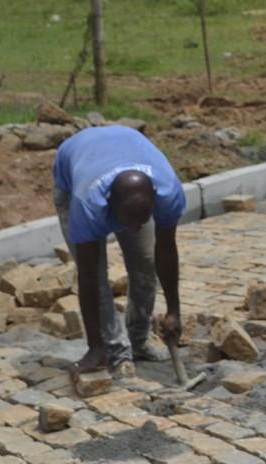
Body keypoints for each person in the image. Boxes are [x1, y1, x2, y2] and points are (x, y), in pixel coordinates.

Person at [53, 125, 185, 377]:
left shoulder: (169, 191)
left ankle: (137, 341)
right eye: (128, 223)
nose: (135, 229)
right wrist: (94, 345)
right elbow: (90, 277)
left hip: (124, 155)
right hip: (75, 174)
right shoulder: (87, 203)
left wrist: (174, 311)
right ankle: (112, 351)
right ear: (110, 205)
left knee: (145, 264)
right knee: (97, 275)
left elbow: (166, 250)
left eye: (142, 221)